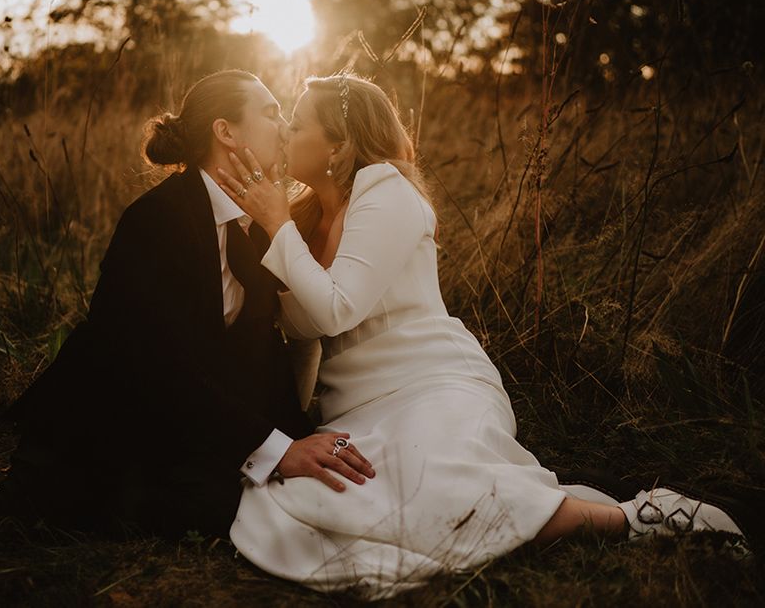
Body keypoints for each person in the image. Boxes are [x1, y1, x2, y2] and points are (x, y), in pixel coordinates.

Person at [218, 73, 755, 599]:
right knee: (303, 497)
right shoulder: (308, 221)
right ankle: (535, 508)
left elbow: (337, 308)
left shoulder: (387, 195)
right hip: (358, 412)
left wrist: (275, 224)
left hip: (433, 385)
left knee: (447, 491)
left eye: (299, 124)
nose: (286, 133)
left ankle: (639, 517)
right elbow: (309, 330)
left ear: (340, 143)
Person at [0, 70, 374, 537]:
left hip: (185, 411)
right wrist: (276, 449)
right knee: (215, 508)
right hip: (109, 415)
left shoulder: (258, 224)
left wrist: (301, 437)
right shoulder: (157, 221)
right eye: (271, 112)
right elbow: (152, 365)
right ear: (225, 131)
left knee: (288, 493)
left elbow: (261, 352)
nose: (284, 128)